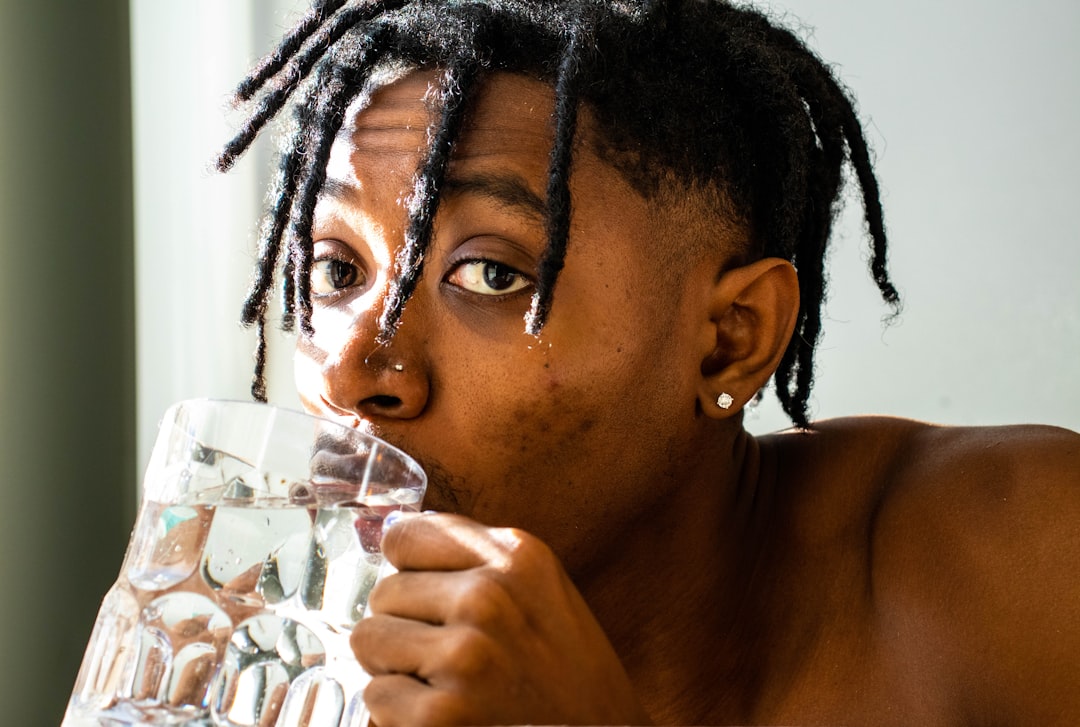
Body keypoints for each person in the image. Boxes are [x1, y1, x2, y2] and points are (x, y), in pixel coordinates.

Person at [217, 1, 1080, 724]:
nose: (348, 375)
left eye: (491, 274)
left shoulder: (1023, 556)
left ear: (731, 338)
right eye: (335, 270)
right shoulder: (297, 673)